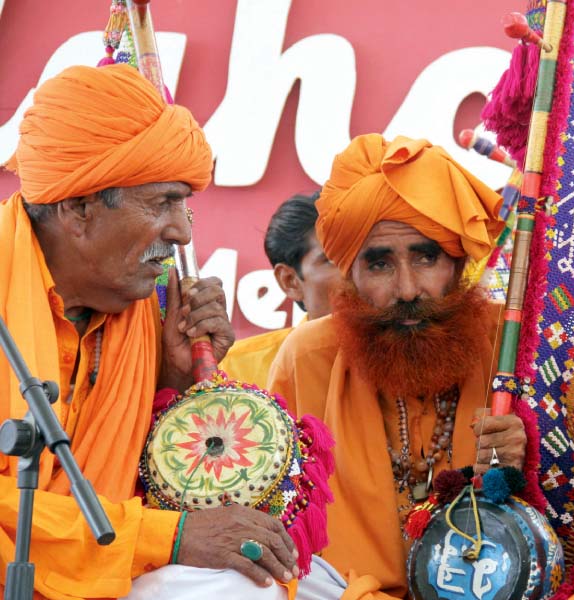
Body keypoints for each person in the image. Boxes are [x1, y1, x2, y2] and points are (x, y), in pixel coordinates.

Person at [0, 64, 306, 600]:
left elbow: (128, 479)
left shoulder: (143, 311)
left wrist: (174, 385)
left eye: (185, 205)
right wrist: (169, 536)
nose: (183, 231)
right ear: (77, 208)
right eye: (164, 202)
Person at [267, 133, 532, 598]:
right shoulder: (308, 358)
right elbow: (276, 524)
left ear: (458, 265)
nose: (408, 290)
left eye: (427, 257)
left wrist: (530, 468)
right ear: (350, 276)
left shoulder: (515, 350)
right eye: (380, 264)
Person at [221, 191, 339, 387]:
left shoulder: (401, 363)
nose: (357, 273)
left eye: (368, 258)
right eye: (334, 260)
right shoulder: (238, 372)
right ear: (290, 280)